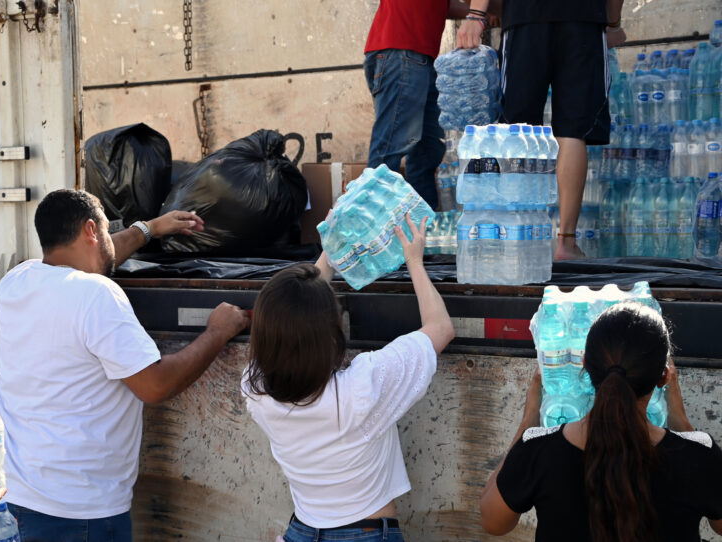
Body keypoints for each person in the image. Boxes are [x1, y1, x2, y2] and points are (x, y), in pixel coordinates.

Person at [0, 189, 249, 542]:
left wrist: (149, 230)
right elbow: (155, 385)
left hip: (15, 499)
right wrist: (218, 333)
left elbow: (99, 255)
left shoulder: (16, 282)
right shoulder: (96, 294)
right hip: (78, 515)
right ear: (90, 231)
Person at [242, 214, 454, 542]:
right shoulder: (362, 388)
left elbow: (294, 315)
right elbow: (440, 328)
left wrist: (329, 249)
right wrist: (414, 260)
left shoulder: (256, 388)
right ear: (331, 333)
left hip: (300, 532)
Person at [480, 303, 722, 541]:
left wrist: (528, 420)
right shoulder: (698, 455)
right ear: (664, 377)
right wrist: (679, 417)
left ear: (585, 365)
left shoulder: (537, 450)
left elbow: (493, 523)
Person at [458, 0, 627, 260]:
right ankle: (566, 244)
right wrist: (613, 22)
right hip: (583, 20)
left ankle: (515, 242)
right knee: (572, 131)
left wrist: (476, 14)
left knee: (515, 132)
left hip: (526, 16)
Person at [364, 0, 492, 210]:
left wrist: (478, 13)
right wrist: (477, 14)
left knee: (428, 149)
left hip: (420, 59)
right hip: (401, 52)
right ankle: (371, 230)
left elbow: (444, 5)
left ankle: (422, 228)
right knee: (390, 148)